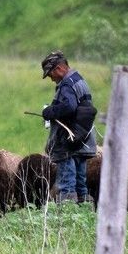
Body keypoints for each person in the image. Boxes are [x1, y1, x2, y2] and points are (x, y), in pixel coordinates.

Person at [40, 50, 97, 204]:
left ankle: (66, 219)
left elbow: (69, 106)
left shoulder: (66, 84)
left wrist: (49, 111)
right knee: (81, 186)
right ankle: (84, 214)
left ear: (58, 68)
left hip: (68, 145)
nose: (51, 79)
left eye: (50, 74)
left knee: (66, 186)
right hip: (82, 140)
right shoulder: (79, 81)